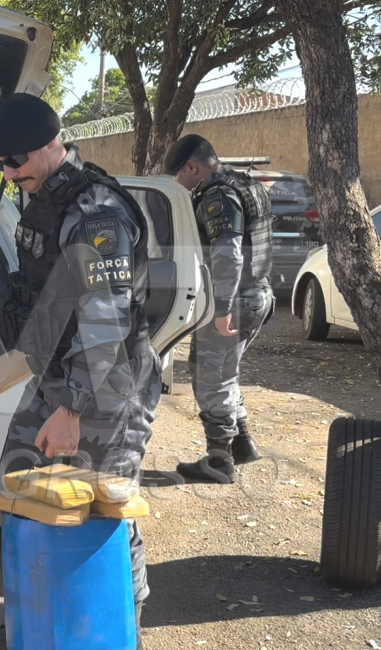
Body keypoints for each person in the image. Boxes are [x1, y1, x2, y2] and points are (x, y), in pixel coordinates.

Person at [0, 94, 158, 650]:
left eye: (14, 160)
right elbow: (52, 298)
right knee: (16, 491)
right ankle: (30, 622)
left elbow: (104, 319)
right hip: (54, 378)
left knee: (105, 510)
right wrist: (20, 362)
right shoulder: (41, 194)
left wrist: (72, 407)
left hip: (104, 389)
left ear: (51, 143)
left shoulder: (97, 214)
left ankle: (120, 633)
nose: (6, 173)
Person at [164, 135, 274, 484]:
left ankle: (219, 461)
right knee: (226, 371)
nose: (179, 184)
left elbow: (228, 254)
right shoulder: (245, 183)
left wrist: (222, 307)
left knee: (211, 375)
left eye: (178, 176)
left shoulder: (217, 195)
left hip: (234, 299)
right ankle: (241, 443)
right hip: (258, 293)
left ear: (192, 166)